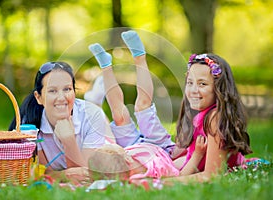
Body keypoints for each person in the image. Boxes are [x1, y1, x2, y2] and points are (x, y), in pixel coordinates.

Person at [87, 31, 206, 181]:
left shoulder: (123, 159)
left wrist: (120, 152)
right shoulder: (154, 172)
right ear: (127, 162)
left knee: (119, 116)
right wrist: (198, 155)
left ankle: (105, 66)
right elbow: (180, 175)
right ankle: (139, 57)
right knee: (142, 105)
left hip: (132, 147)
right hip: (159, 147)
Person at [159, 53, 254, 184]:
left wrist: (160, 184)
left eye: (202, 84)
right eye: (190, 83)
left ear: (219, 89)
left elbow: (212, 175)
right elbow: (187, 158)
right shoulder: (198, 115)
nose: (193, 90)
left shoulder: (215, 118)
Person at [8, 61, 109, 184]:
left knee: (114, 145)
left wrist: (69, 140)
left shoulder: (92, 115)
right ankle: (93, 99)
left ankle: (94, 101)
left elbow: (85, 177)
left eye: (67, 89)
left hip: (101, 139)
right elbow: (43, 174)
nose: (61, 98)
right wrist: (64, 175)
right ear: (38, 97)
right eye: (52, 91)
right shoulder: (30, 125)